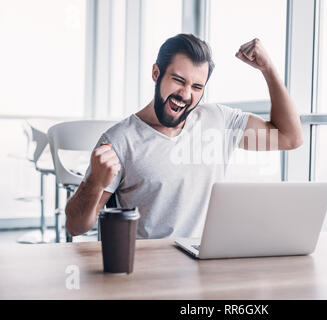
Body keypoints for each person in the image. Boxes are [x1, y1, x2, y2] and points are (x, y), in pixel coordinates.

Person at [65, 33, 303, 239]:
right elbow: (76, 227)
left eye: (197, 87)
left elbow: (289, 137)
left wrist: (268, 70)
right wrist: (95, 182)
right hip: (153, 270)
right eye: (178, 80)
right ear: (156, 73)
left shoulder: (219, 120)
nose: (186, 94)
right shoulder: (120, 140)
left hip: (207, 261)